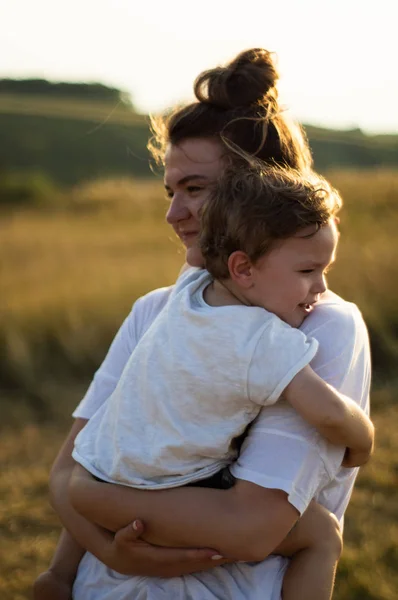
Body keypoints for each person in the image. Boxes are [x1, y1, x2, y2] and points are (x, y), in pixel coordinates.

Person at [34, 48, 372, 600]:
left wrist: (101, 510)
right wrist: (103, 549)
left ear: (260, 197)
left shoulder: (321, 326)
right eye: (171, 192)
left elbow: (250, 528)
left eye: (196, 189)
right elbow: (67, 471)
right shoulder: (155, 310)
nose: (173, 214)